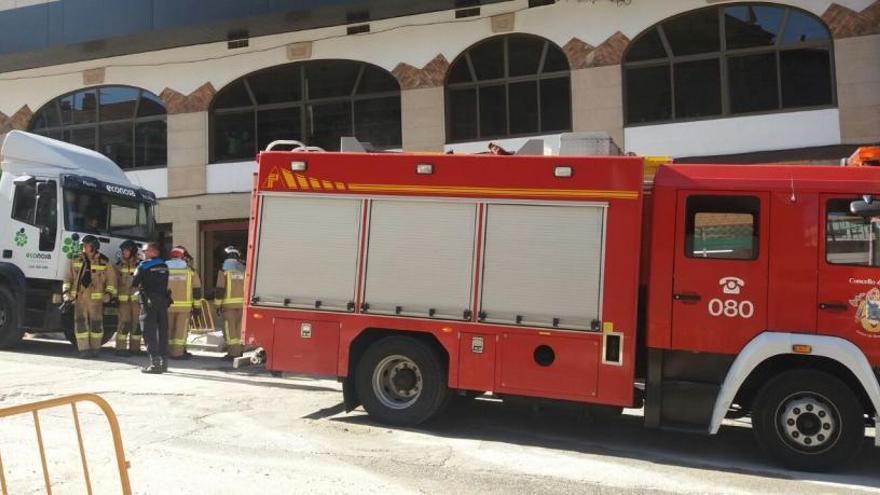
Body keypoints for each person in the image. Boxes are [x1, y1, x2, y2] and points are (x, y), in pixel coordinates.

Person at [62, 235, 118, 358]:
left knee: (96, 325)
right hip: (80, 299)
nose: (83, 247)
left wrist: (109, 294)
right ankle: (84, 350)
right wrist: (66, 293)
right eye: (82, 245)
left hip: (96, 300)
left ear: (93, 247)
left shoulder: (104, 261)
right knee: (80, 324)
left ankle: (95, 349)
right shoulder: (75, 260)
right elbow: (68, 278)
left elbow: (111, 280)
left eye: (86, 245)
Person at [132, 242, 170, 374]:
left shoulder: (144, 265)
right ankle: (164, 362)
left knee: (149, 332)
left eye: (145, 250)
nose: (143, 253)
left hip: (148, 302)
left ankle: (155, 364)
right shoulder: (165, 265)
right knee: (163, 331)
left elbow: (134, 282)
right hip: (163, 301)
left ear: (154, 252)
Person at [166, 246, 202, 359]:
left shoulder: (164, 270)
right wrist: (197, 307)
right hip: (184, 308)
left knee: (168, 329)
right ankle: (178, 353)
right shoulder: (190, 272)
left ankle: (168, 352)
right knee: (180, 331)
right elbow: (197, 291)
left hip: (167, 306)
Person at [214, 246, 245, 360]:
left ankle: (233, 353)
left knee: (229, 329)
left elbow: (220, 289)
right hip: (242, 305)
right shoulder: (244, 269)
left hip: (228, 306)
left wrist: (217, 305)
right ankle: (239, 351)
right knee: (240, 328)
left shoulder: (224, 270)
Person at [114, 240, 142, 356]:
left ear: (133, 251)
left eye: (126, 251)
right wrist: (114, 297)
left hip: (137, 302)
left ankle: (135, 349)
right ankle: (120, 348)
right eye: (123, 251)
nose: (124, 253)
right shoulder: (118, 266)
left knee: (137, 325)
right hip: (123, 301)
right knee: (123, 324)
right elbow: (113, 282)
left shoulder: (140, 265)